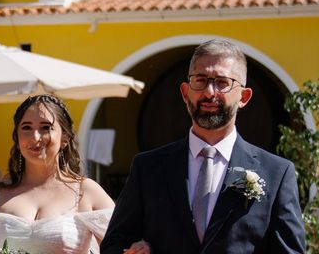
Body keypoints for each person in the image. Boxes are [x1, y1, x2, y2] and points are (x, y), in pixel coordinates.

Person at [101, 39, 306, 254]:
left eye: (222, 82)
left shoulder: (276, 173)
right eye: (200, 80)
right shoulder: (148, 168)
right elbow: (113, 243)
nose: (209, 92)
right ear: (185, 92)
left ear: (244, 97)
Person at [0, 94, 114, 254]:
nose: (35, 137)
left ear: (65, 138)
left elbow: (122, 245)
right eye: (26, 128)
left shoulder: (86, 191)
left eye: (46, 127)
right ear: (17, 138)